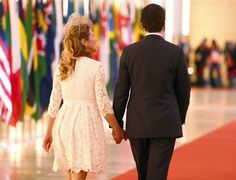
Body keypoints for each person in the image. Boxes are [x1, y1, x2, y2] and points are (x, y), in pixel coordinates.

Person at [113, 4, 191, 180]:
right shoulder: (176, 53)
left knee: (143, 174)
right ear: (164, 24)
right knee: (157, 175)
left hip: (137, 124)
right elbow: (184, 91)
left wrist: (117, 123)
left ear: (141, 24)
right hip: (166, 124)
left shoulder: (129, 52)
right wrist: (179, 117)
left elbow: (121, 92)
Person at [43, 14, 124, 180]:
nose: (96, 39)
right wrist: (116, 127)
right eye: (92, 36)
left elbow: (54, 102)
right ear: (84, 42)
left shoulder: (62, 67)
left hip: (64, 124)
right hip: (85, 124)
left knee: (72, 175)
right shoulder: (96, 67)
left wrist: (48, 132)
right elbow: (103, 104)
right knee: (79, 176)